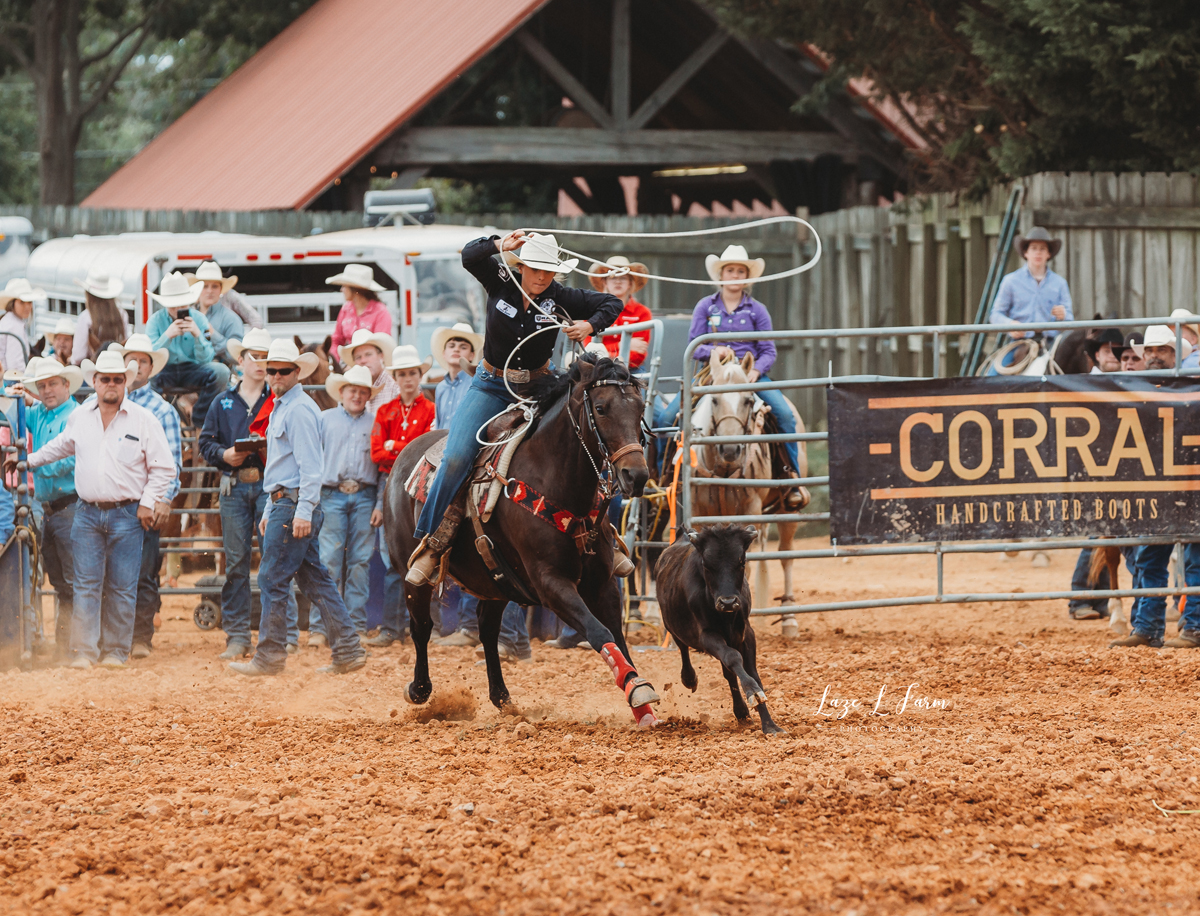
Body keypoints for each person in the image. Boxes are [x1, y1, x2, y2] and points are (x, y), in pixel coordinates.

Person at [406, 231, 622, 586]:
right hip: (491, 385)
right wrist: (500, 243)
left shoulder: (560, 297)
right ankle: (432, 542)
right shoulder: (500, 281)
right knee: (458, 455)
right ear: (521, 266)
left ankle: (606, 538)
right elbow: (470, 256)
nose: (541, 277)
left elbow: (611, 303)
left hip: (539, 386)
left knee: (582, 448)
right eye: (535, 269)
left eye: (548, 272)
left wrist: (590, 324)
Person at [10, 350, 175, 668]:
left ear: (125, 382)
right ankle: (85, 651)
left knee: (121, 585)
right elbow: (59, 446)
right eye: (105, 379)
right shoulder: (81, 417)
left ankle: (113, 651)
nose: (111, 384)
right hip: (86, 511)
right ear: (95, 382)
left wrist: (147, 502)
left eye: (116, 379)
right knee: (86, 583)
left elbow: (163, 468)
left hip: (126, 512)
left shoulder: (143, 419)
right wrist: (27, 461)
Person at [228, 338, 366, 677]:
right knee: (315, 579)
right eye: (271, 370)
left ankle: (270, 656)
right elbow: (285, 464)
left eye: (283, 371)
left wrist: (302, 509)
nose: (275, 375)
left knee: (273, 579)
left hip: (291, 505)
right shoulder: (287, 406)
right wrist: (272, 509)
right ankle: (348, 648)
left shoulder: (297, 409)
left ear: (296, 372)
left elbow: (311, 467)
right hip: (287, 502)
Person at [655, 243, 805, 509]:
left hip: (750, 377)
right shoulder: (705, 306)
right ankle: (668, 480)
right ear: (721, 275)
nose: (735, 275)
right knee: (668, 418)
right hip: (712, 376)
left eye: (740, 271)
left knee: (783, 414)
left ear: (747, 276)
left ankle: (791, 477)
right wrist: (715, 348)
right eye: (730, 270)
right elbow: (694, 345)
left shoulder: (757, 310)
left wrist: (756, 371)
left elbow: (768, 350)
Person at [199, 328, 299, 660]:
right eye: (254, 356)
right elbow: (205, 443)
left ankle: (280, 635)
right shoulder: (222, 402)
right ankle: (238, 636)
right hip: (236, 483)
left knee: (276, 559)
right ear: (240, 361)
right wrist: (224, 455)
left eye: (265, 357)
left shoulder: (278, 400)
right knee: (238, 562)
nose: (260, 363)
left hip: (267, 487)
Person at [112, 334, 183, 659]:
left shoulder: (162, 411)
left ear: (151, 368)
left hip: (144, 501)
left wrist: (163, 499)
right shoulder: (107, 403)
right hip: (112, 501)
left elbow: (172, 462)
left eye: (142, 361)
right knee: (111, 573)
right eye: (131, 359)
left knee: (143, 574)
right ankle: (116, 637)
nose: (136, 366)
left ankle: (140, 637)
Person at [14, 358, 83, 658]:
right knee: (60, 580)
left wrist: (37, 468)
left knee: (73, 580)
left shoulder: (76, 416)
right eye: (42, 385)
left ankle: (78, 646)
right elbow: (16, 409)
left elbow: (75, 458)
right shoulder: (39, 413)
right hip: (51, 510)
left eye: (53, 383)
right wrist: (16, 392)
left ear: (66, 385)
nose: (47, 389)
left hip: (70, 507)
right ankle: (67, 646)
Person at [315, 364, 384, 641]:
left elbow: (383, 468)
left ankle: (354, 625)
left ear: (368, 395)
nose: (356, 395)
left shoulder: (376, 423)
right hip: (331, 494)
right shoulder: (324, 420)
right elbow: (312, 459)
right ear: (341, 392)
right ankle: (322, 626)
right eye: (352, 390)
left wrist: (380, 502)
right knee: (328, 561)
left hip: (365, 495)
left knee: (359, 562)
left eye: (362, 391)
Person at [145, 271, 231, 429]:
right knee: (146, 376)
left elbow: (206, 358)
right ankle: (156, 418)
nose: (178, 309)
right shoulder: (155, 321)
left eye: (182, 305)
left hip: (192, 369)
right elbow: (149, 358)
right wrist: (167, 336)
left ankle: (200, 420)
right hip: (164, 369)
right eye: (173, 305)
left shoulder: (198, 319)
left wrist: (197, 335)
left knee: (221, 372)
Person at [988, 227, 1072, 371]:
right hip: (1019, 344)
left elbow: (1070, 320)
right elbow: (995, 315)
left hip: (1050, 345)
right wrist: (1010, 324)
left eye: (1042, 248)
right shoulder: (1011, 281)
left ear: (1048, 254)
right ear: (1026, 253)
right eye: (1034, 248)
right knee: (993, 376)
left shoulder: (1059, 283)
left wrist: (1063, 315)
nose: (1038, 252)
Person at [588, 255, 653, 369]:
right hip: (597, 369)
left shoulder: (642, 313)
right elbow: (589, 349)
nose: (618, 281)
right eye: (613, 277)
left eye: (623, 278)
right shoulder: (592, 310)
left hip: (631, 371)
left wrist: (605, 352)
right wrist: (624, 345)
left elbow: (638, 355)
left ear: (630, 283)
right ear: (605, 282)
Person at [186, 261, 245, 365]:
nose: (210, 291)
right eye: (205, 286)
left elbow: (237, 358)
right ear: (197, 289)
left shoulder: (231, 319)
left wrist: (213, 334)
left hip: (219, 376)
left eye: (214, 286)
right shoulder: (188, 315)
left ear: (221, 289)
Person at [327, 264, 392, 354]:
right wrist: (335, 361)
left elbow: (381, 344)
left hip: (371, 362)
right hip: (348, 361)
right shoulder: (346, 308)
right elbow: (336, 340)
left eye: (344, 286)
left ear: (355, 290)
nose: (342, 289)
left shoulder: (380, 311)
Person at [71, 268, 131, 365]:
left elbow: (79, 355)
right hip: (117, 364)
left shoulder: (86, 317)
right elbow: (126, 341)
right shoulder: (122, 314)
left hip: (95, 366)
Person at [430, 322, 482, 430]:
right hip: (440, 443)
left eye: (463, 347)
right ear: (444, 353)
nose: (456, 349)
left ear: (472, 355)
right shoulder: (441, 387)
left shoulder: (475, 384)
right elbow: (439, 425)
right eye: (451, 346)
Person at [337, 328, 399, 414]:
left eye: (368, 355)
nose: (363, 360)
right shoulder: (347, 389)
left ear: (381, 356)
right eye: (358, 357)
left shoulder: (395, 386)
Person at [0, 277, 42, 373]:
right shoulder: (14, 326)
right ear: (12, 304)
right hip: (9, 378)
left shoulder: (7, 320)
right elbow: (15, 365)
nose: (27, 307)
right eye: (22, 302)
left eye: (29, 302)